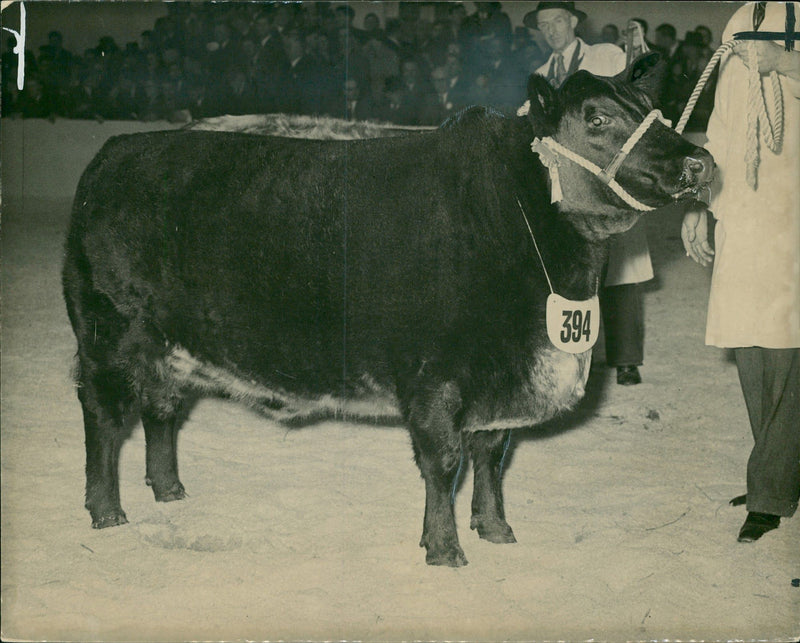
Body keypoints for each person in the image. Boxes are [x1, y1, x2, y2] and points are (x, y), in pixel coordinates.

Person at [681, 2, 799, 543]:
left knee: (791, 348)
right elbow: (721, 133)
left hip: (793, 215)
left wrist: (786, 61)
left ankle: (771, 487)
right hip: (745, 216)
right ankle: (779, 474)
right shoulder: (739, 28)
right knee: (751, 343)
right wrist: (697, 204)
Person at [525, 1, 653, 386]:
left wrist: (640, 53)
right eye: (544, 25)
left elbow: (638, 91)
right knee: (579, 272)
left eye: (557, 21)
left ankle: (627, 359)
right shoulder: (542, 74)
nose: (551, 31)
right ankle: (583, 355)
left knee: (623, 268)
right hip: (574, 190)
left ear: (574, 21)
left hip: (613, 179)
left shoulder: (605, 56)